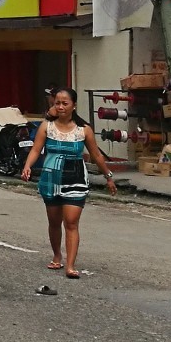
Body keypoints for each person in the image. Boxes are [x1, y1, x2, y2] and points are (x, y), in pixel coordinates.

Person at [19, 87, 117, 278]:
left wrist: (108, 176)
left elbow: (96, 155)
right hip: (51, 178)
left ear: (74, 105)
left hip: (76, 178)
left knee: (71, 222)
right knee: (54, 221)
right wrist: (27, 166)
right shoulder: (46, 127)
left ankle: (70, 266)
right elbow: (35, 149)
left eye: (65, 103)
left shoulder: (84, 129)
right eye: (58, 103)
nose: (61, 107)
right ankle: (57, 255)